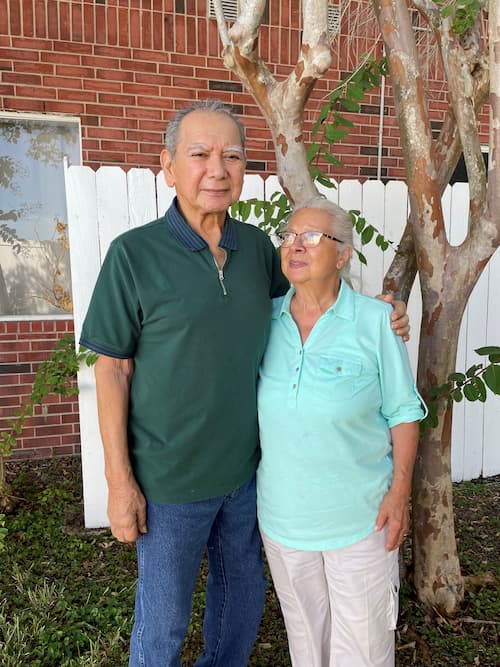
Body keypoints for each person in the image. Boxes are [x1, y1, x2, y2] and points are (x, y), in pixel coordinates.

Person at [79, 99, 410, 667]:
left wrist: (380, 314)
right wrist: (119, 481)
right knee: (162, 628)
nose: (217, 168)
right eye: (200, 154)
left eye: (231, 155)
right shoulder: (133, 254)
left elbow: (314, 307)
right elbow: (112, 368)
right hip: (168, 484)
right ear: (168, 166)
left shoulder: (259, 248)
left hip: (248, 482)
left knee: (238, 614)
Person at [256, 197, 426, 667]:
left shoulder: (376, 322)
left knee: (365, 650)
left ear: (344, 253)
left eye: (311, 237)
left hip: (361, 521)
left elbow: (403, 411)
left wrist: (400, 493)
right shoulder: (263, 319)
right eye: (288, 236)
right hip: (284, 522)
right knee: (307, 645)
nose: (295, 245)